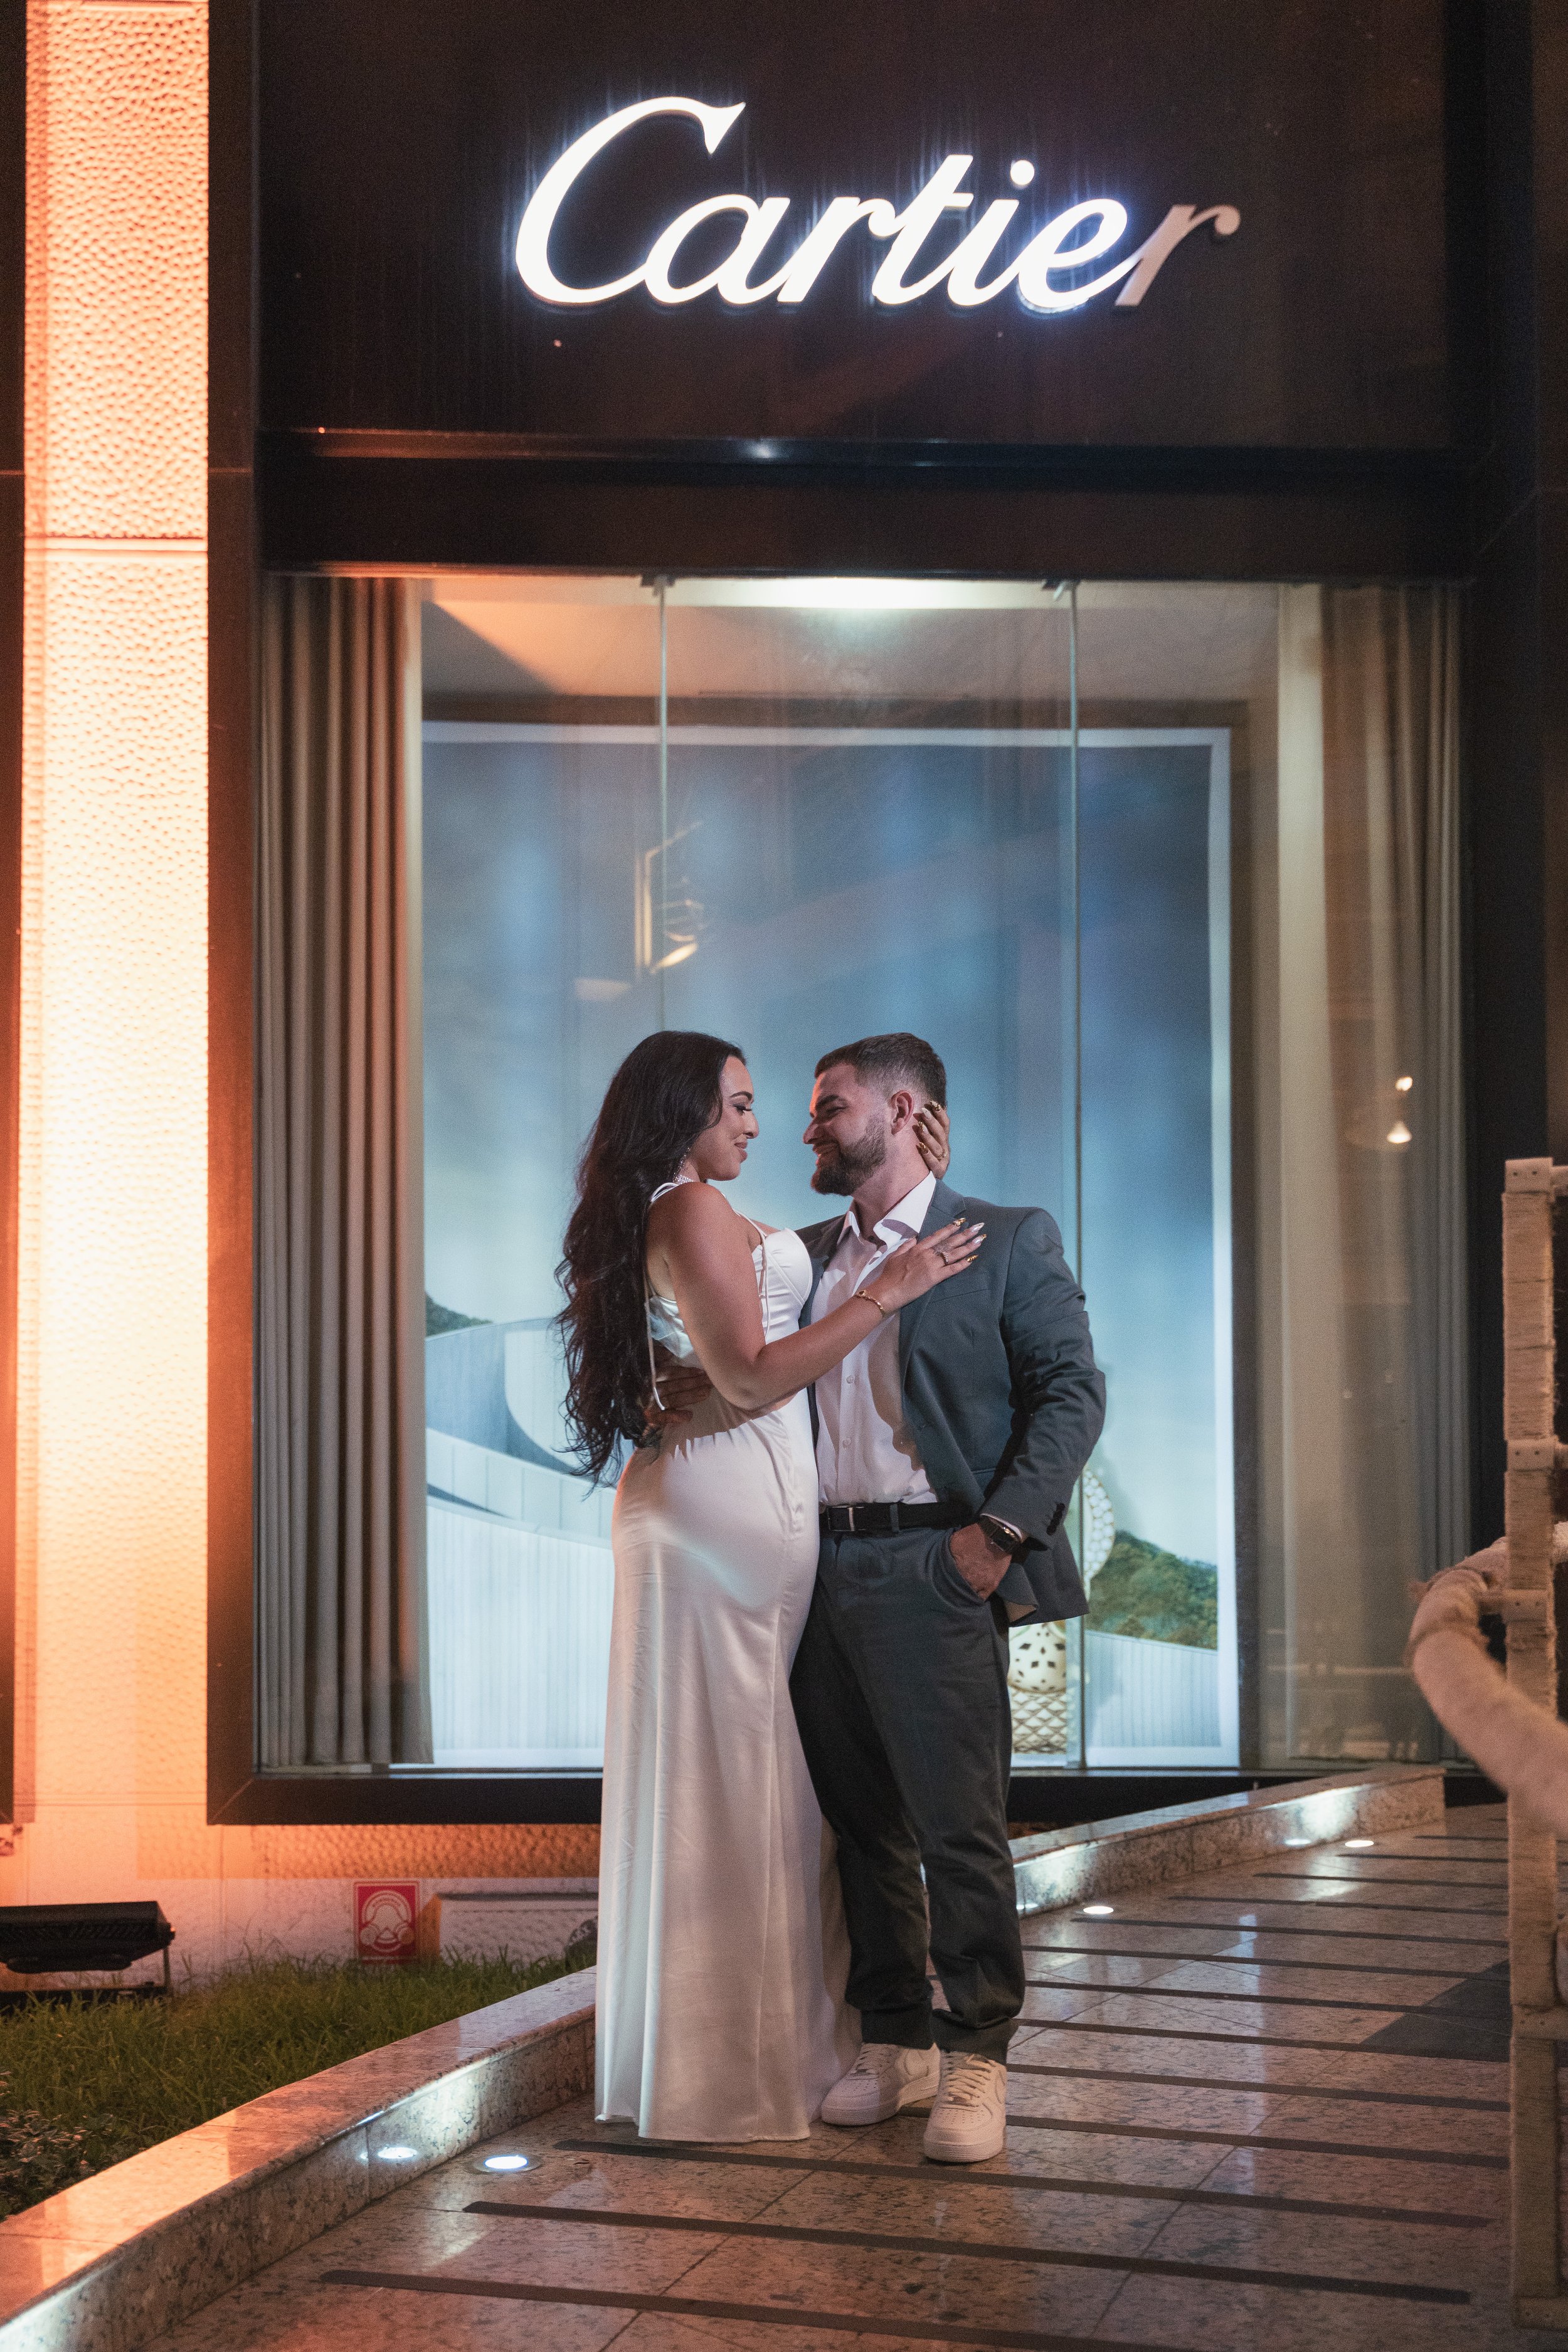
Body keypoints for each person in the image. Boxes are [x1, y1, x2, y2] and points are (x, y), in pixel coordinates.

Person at [557, 1030, 980, 2144]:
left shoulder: (698, 1210)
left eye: (772, 1104)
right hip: (724, 1516)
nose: (759, 1122)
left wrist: (917, 1194)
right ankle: (739, 2071)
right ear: (683, 1106)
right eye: (739, 1102)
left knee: (741, 1775)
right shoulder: (688, 1207)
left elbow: (737, 1344)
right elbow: (751, 1371)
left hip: (724, 1506)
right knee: (741, 1778)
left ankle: (739, 2053)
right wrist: (886, 1292)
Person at [788, 1034, 1104, 2162]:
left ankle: (980, 2055)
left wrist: (996, 1538)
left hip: (937, 1562)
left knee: (957, 1828)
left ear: (902, 1106)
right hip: (815, 1570)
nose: (810, 1125)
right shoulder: (810, 1255)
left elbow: (1073, 1392)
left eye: (830, 1106)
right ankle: (897, 2039)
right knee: (861, 1822)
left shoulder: (1006, 1237)